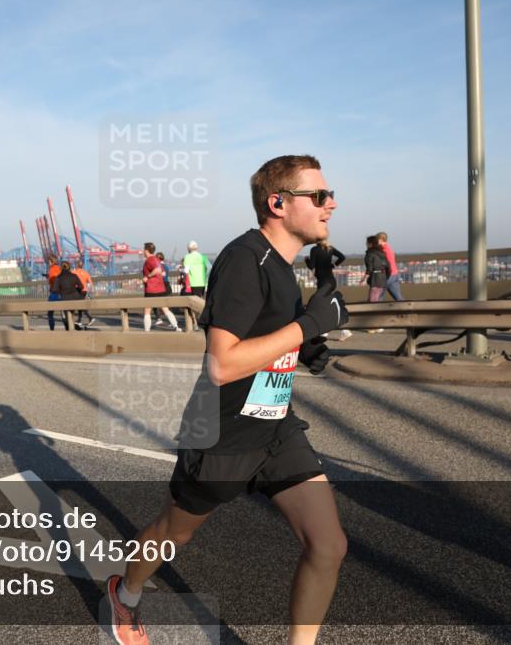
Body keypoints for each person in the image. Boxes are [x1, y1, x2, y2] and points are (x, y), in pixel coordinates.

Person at [107, 154, 349, 645]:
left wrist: (305, 347)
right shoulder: (245, 260)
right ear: (278, 203)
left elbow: (265, 334)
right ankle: (126, 593)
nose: (331, 204)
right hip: (222, 434)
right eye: (320, 196)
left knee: (328, 545)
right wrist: (309, 325)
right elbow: (222, 364)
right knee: (176, 533)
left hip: (275, 426)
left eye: (330, 195)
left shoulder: (282, 265)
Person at [306, 240, 350, 339]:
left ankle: (326, 331)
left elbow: (311, 266)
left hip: (323, 282)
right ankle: (344, 330)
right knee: (329, 306)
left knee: (320, 305)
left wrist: (306, 260)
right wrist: (333, 265)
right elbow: (342, 257)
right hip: (331, 281)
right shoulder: (329, 248)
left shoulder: (314, 249)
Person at [141, 242, 181, 332]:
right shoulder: (157, 260)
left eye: (143, 250)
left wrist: (147, 277)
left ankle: (146, 331)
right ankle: (176, 327)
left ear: (146, 250)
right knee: (165, 309)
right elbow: (162, 273)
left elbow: (157, 270)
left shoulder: (149, 260)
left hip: (151, 289)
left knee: (147, 310)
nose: (143, 251)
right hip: (160, 288)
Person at [51, 261, 85, 330]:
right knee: (72, 313)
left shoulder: (59, 278)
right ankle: (76, 327)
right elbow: (81, 286)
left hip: (64, 299)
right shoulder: (74, 276)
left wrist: (61, 291)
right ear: (69, 267)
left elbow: (54, 290)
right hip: (75, 298)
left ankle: (69, 330)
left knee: (66, 317)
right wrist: (76, 290)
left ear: (61, 268)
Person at [376, 232, 405, 301]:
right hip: (394, 275)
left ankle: (375, 311)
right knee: (399, 299)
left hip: (387, 276)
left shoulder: (382, 250)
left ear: (380, 240)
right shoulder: (389, 249)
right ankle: (406, 310)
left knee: (377, 299)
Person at [364, 235, 389, 303]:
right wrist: (385, 277)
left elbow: (369, 268)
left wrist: (364, 279)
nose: (365, 244)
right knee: (372, 300)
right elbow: (388, 267)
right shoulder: (382, 253)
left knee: (373, 302)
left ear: (370, 244)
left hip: (375, 280)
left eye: (366, 243)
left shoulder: (370, 254)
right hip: (382, 279)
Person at [72, 261, 95, 328]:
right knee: (80, 304)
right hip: (84, 291)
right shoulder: (86, 273)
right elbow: (91, 283)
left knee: (79, 305)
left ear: (77, 265)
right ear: (82, 266)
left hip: (78, 290)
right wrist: (89, 292)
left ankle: (90, 318)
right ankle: (79, 320)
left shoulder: (74, 272)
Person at [46, 255, 61, 331]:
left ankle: (52, 329)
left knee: (50, 313)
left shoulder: (51, 269)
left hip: (54, 293)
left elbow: (52, 280)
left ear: (51, 261)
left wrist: (48, 278)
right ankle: (68, 327)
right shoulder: (59, 268)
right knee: (64, 311)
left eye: (49, 261)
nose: (48, 263)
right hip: (61, 292)